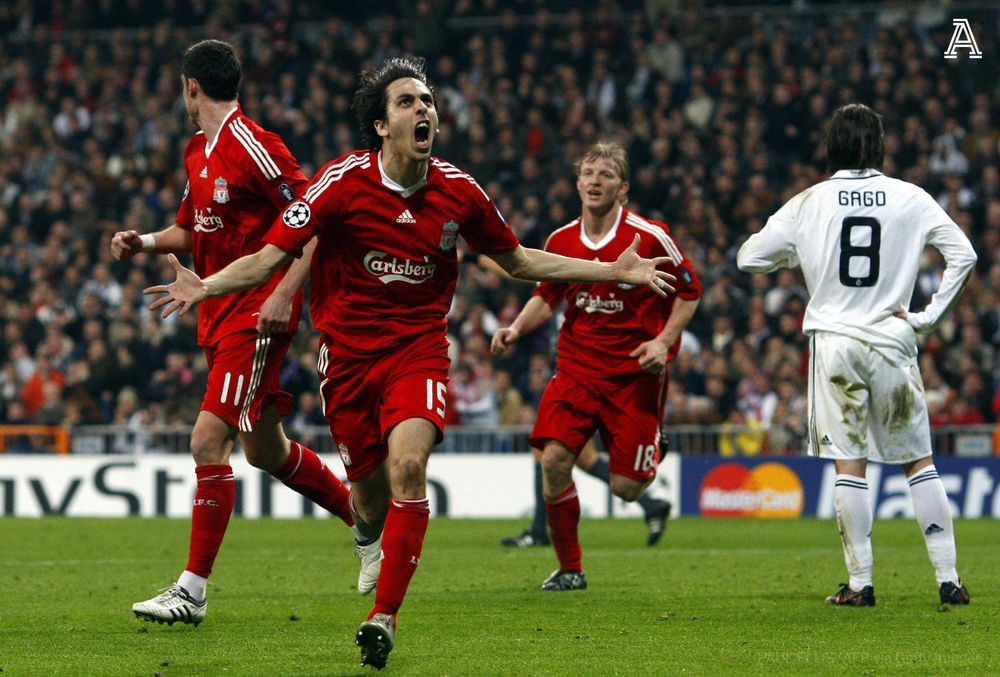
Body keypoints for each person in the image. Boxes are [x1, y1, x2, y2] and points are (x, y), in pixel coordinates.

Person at [143, 56, 676, 669]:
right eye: (408, 102)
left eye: (428, 101)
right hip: (346, 363)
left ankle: (383, 620)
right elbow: (268, 258)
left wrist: (612, 270)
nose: (424, 109)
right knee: (369, 501)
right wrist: (206, 287)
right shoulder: (339, 184)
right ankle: (365, 533)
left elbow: (523, 261)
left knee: (409, 468)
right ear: (381, 125)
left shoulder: (461, 191)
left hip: (418, 353)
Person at [112, 40, 363, 627]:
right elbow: (190, 227)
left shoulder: (256, 145)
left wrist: (281, 293)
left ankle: (192, 591)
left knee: (206, 442)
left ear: (190, 86)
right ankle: (365, 517)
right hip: (217, 313)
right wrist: (142, 242)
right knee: (264, 450)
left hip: (256, 313)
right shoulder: (197, 150)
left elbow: (314, 218)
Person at [737, 103, 976, 607]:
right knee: (918, 461)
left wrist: (797, 254)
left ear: (832, 145)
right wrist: (928, 318)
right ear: (880, 143)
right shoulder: (910, 196)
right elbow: (965, 255)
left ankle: (861, 584)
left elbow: (749, 257)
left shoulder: (809, 202)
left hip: (837, 344)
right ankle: (949, 579)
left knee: (851, 464)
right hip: (892, 338)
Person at [490, 142, 701, 590]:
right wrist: (514, 330)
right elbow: (546, 297)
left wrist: (663, 341)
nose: (594, 181)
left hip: (634, 374)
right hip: (576, 369)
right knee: (553, 460)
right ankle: (571, 569)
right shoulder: (561, 241)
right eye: (588, 173)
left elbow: (690, 291)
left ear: (622, 188)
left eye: (605, 175)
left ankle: (651, 443)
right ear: (577, 182)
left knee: (626, 487)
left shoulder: (649, 235)